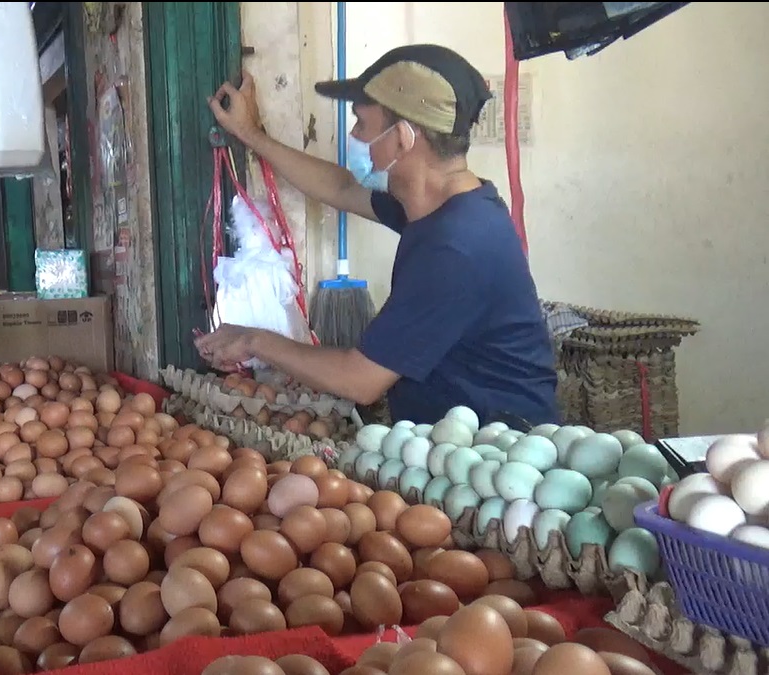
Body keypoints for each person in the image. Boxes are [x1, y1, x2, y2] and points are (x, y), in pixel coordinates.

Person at [197, 44, 559, 427]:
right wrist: (250, 135)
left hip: (498, 454)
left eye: (363, 125)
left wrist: (256, 341)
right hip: (455, 438)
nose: (354, 135)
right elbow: (341, 189)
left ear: (403, 137)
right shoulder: (446, 207)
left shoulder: (456, 245)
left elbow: (360, 379)